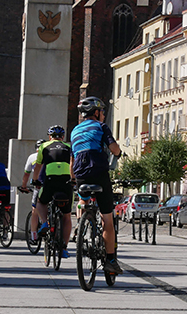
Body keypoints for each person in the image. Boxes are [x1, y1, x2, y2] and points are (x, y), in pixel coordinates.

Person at [70, 96, 123, 274]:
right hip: (98, 172)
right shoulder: (101, 126)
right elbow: (113, 148)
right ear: (97, 112)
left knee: (83, 199)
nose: (103, 115)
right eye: (102, 112)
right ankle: (110, 260)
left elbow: (72, 161)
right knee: (107, 218)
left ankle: (81, 224)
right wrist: (119, 153)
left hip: (80, 174)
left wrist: (73, 179)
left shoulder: (75, 131)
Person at [32, 125, 74, 258]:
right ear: (63, 137)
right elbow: (73, 163)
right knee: (67, 216)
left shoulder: (44, 146)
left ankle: (45, 222)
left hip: (50, 180)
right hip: (65, 182)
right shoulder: (69, 147)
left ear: (50, 137)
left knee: (40, 202)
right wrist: (73, 179)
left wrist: (35, 180)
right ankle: (64, 248)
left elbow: (38, 166)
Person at [21, 139, 46, 241]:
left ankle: (33, 236)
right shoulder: (51, 155)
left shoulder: (32, 157)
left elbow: (26, 174)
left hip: (39, 186)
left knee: (35, 211)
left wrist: (23, 186)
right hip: (52, 184)